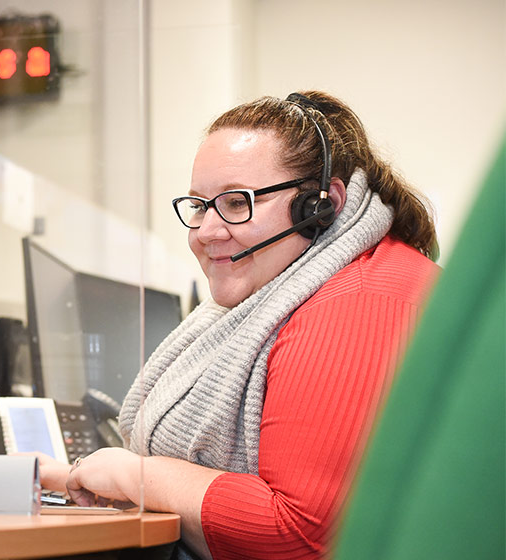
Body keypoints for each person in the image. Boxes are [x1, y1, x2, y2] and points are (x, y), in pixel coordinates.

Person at [34, 91, 440, 559]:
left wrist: (134, 475)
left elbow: (303, 537)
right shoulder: (305, 283)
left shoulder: (361, 299)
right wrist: (75, 476)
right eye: (199, 205)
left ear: (320, 206)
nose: (206, 232)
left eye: (235, 202)